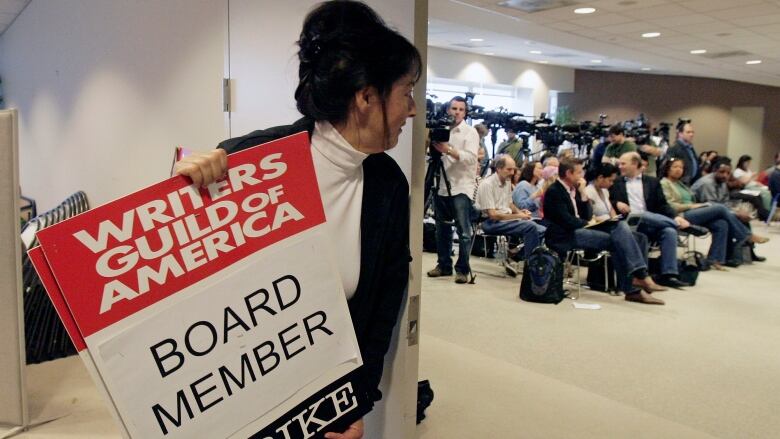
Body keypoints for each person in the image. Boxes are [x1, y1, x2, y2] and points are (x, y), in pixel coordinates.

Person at [173, 3, 421, 437]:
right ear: (365, 97)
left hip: (321, 404)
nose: (413, 109)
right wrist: (186, 187)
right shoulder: (250, 162)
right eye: (407, 92)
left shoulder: (388, 186)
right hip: (236, 404)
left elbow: (383, 305)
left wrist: (355, 402)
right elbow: (190, 289)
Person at [543, 158, 666, 305]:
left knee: (625, 229)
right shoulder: (554, 191)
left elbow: (585, 214)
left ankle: (637, 280)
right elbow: (565, 220)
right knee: (618, 240)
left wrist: (583, 195)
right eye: (579, 172)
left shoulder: (574, 190)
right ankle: (636, 283)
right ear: (569, 173)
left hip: (579, 229)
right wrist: (589, 223)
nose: (582, 175)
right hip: (564, 234)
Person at [610, 152, 691, 288]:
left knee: (669, 231)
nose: (620, 166)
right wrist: (616, 203)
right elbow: (606, 200)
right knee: (644, 215)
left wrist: (675, 215)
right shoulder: (615, 182)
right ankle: (682, 226)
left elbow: (662, 205)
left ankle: (669, 274)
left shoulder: (652, 182)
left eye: (623, 163)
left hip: (651, 222)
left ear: (635, 164)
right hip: (629, 222)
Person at [663, 159, 762, 268]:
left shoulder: (681, 184)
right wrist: (693, 206)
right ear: (667, 169)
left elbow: (724, 201)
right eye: (675, 167)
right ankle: (746, 235)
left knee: (721, 223)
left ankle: (715, 259)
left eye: (681, 167)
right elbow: (670, 205)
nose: (678, 170)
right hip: (680, 215)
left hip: (695, 212)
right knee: (719, 208)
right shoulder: (664, 183)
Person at [427, 96, 480, 283]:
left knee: (463, 231)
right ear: (448, 110)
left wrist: (447, 150)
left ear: (465, 113)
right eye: (454, 108)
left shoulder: (470, 132)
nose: (457, 112)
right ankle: (443, 265)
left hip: (461, 186)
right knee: (441, 228)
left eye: (461, 109)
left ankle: (462, 269)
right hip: (441, 184)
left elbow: (471, 158)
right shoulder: (442, 129)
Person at [692, 158, 768, 263]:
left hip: (714, 214)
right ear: (714, 170)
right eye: (722, 172)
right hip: (697, 213)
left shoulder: (722, 183)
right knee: (727, 213)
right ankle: (747, 236)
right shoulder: (707, 183)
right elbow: (710, 205)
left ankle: (718, 259)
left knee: (726, 223)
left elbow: (725, 202)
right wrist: (734, 213)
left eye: (728, 173)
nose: (725, 175)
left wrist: (738, 212)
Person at [475, 155, 546, 260]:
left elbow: (509, 204)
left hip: (505, 219)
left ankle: (518, 255)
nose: (512, 173)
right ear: (498, 169)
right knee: (531, 227)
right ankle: (530, 263)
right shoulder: (487, 184)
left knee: (543, 230)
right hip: (490, 222)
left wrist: (521, 213)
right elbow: (493, 215)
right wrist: (518, 215)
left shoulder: (507, 181)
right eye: (509, 169)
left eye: (514, 169)